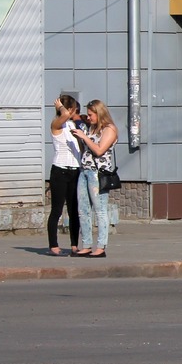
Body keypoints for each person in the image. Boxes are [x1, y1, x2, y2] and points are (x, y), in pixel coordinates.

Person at [71, 99, 119, 258]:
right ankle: (86, 244)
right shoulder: (91, 128)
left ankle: (101, 246)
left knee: (100, 210)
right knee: (83, 210)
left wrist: (84, 137)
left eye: (91, 115)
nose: (89, 117)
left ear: (99, 113)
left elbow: (99, 150)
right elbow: (86, 148)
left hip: (98, 174)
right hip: (85, 170)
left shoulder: (109, 129)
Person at [46, 95, 83, 256]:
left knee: (74, 210)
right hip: (59, 171)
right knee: (57, 210)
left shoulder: (73, 125)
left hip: (75, 171)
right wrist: (61, 108)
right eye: (73, 108)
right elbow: (65, 115)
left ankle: (75, 245)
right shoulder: (56, 124)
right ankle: (53, 245)